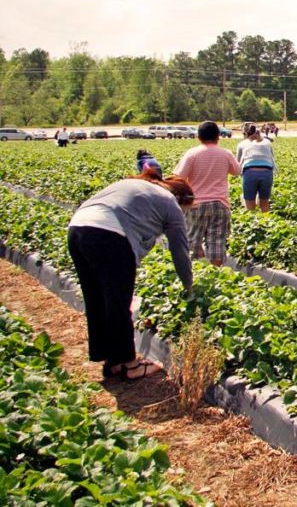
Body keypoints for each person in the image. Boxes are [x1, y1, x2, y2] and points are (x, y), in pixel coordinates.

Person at [67, 168, 194, 381]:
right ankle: (130, 364)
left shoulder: (138, 186)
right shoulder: (170, 203)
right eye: (186, 210)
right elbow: (179, 250)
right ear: (180, 198)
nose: (184, 214)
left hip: (78, 229)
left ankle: (112, 360)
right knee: (117, 301)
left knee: (96, 298)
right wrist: (189, 285)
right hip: (110, 235)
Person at [173, 121, 241, 266]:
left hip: (196, 204)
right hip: (220, 205)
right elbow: (236, 171)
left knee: (191, 243)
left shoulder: (193, 154)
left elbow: (178, 178)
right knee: (217, 244)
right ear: (218, 136)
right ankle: (215, 275)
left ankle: (195, 274)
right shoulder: (225, 153)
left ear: (199, 137)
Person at [236, 123, 276, 212]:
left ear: (245, 134)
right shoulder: (266, 142)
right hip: (267, 172)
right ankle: (266, 222)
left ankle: (252, 221)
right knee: (264, 204)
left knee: (250, 205)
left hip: (249, 172)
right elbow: (271, 157)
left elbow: (238, 164)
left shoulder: (242, 144)